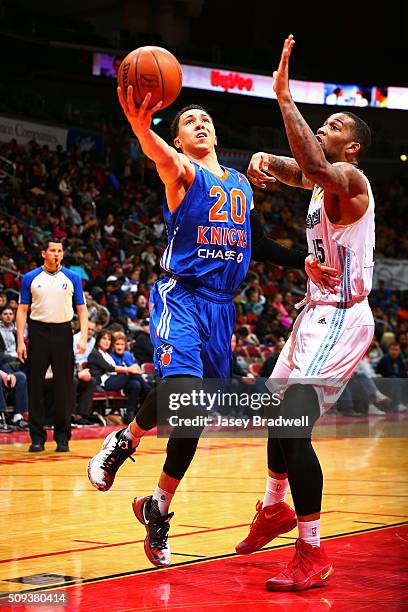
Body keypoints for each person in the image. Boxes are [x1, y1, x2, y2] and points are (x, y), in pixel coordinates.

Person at [88, 83, 339, 568]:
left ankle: (157, 507)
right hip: (181, 296)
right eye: (188, 121)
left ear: (216, 131)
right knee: (182, 389)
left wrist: (303, 260)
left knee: (192, 418)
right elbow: (157, 154)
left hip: (221, 308)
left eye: (205, 119)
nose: (200, 123)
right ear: (179, 140)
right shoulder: (181, 172)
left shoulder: (241, 184)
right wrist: (143, 126)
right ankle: (124, 441)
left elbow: (258, 244)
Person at [236, 35, 375, 592]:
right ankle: (274, 507)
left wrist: (283, 96)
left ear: (354, 148)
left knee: (295, 424)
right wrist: (262, 160)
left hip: (342, 316)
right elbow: (297, 170)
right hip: (315, 311)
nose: (327, 126)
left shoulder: (352, 181)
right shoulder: (322, 183)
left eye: (337, 123)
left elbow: (313, 166)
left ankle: (312, 551)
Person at [16, 239, 88, 452]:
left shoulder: (73, 277)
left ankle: (62, 437)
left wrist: (83, 337)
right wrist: (21, 340)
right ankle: (37, 437)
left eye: (59, 251)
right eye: (52, 250)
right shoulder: (30, 277)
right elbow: (21, 310)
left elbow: (82, 310)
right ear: (43, 253)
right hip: (38, 332)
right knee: (35, 385)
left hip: (63, 332)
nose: (56, 254)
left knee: (64, 386)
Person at [88, 330, 145, 424]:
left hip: (114, 380)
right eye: (104, 339)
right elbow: (109, 368)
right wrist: (129, 369)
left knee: (135, 384)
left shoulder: (107, 354)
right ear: (98, 340)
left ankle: (130, 414)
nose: (107, 341)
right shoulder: (95, 353)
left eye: (109, 339)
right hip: (103, 383)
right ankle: (149, 391)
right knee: (130, 374)